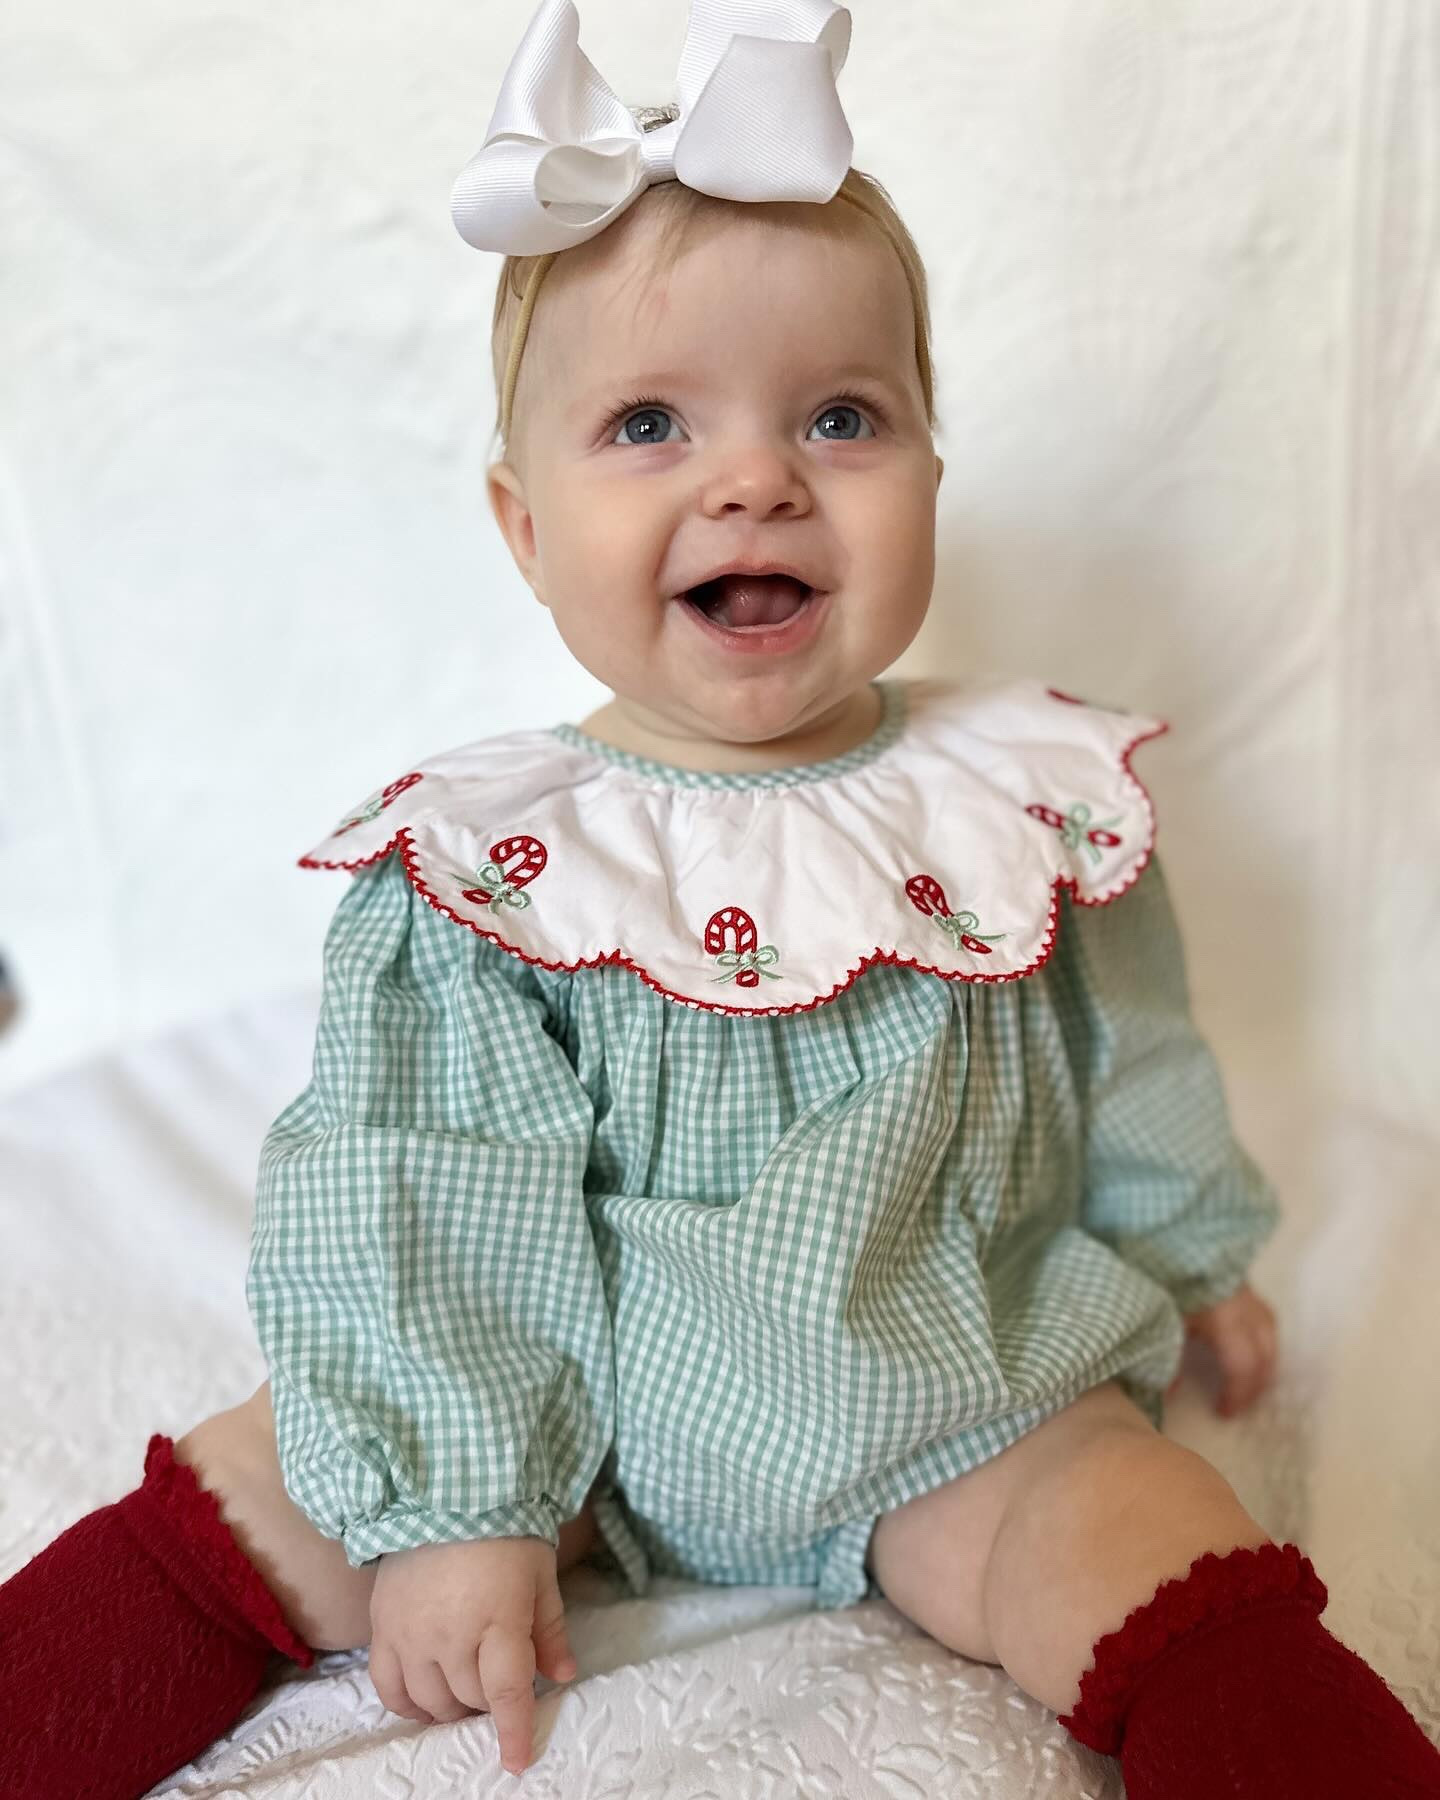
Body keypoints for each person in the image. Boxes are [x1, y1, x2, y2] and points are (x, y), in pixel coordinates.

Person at [4, 3, 1438, 1795]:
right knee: (270, 1476)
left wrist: (1189, 1247)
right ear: (524, 530)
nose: (753, 476)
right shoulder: (495, 869)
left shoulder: (1020, 796)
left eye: (842, 417)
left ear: (933, 468)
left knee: (1150, 1528)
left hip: (959, 1396)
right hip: (580, 1398)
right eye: (649, 424)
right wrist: (467, 1501)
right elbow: (431, 1182)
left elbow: (1123, 1041)